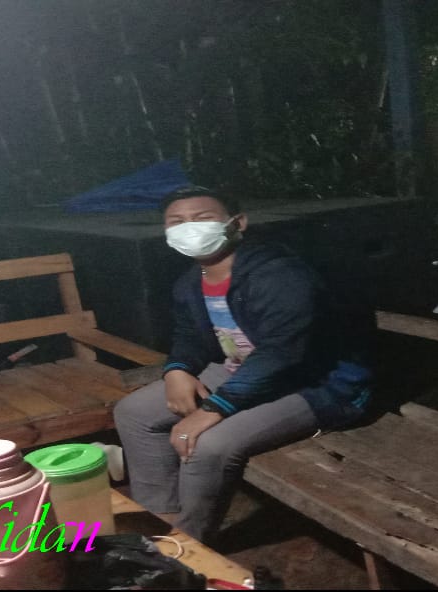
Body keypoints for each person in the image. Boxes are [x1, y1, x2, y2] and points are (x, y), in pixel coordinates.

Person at [113, 186, 374, 543]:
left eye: (202, 218)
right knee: (133, 413)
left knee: (206, 443)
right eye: (177, 221)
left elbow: (282, 352)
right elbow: (190, 334)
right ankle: (159, 520)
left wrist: (215, 408)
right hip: (243, 371)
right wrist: (177, 370)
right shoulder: (191, 282)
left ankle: (187, 545)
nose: (189, 227)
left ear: (237, 223)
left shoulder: (279, 274)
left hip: (317, 383)